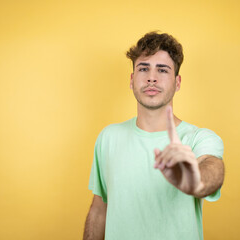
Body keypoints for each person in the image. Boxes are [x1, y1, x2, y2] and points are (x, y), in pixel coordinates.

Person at [83, 31, 225, 240]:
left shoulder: (199, 138)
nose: (151, 77)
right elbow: (99, 209)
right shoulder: (108, 137)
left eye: (162, 70)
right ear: (132, 80)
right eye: (143, 68)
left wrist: (194, 179)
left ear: (177, 83)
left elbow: (212, 170)